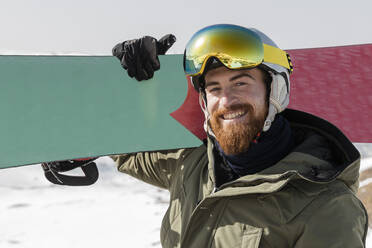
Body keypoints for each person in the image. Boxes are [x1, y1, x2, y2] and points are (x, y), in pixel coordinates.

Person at [53, 24, 368, 247]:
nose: (226, 101)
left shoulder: (328, 207)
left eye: (241, 83)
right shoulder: (192, 163)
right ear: (204, 102)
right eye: (214, 89)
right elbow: (116, 144)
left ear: (277, 91)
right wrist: (129, 87)